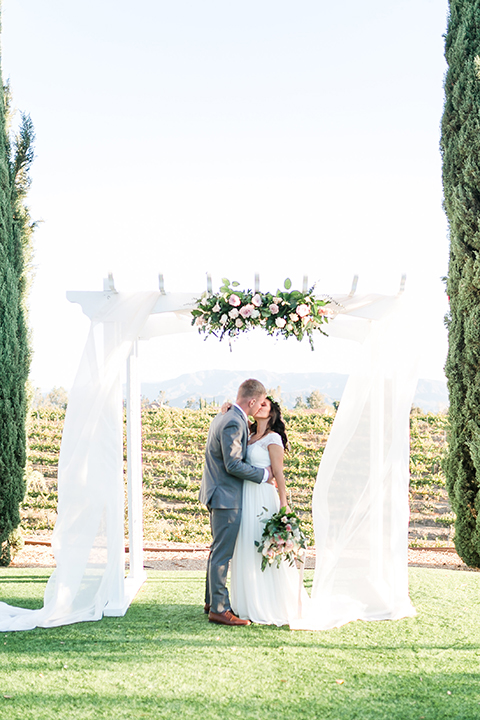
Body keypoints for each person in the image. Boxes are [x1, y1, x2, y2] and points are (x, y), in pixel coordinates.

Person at [199, 378, 273, 626]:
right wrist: (264, 475)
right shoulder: (233, 420)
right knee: (222, 553)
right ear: (252, 401)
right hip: (225, 496)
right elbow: (232, 464)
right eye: (260, 403)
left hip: (218, 492)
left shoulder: (226, 415)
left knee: (217, 549)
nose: (259, 408)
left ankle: (212, 600)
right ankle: (219, 609)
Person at [230, 397, 309, 625]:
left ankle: (270, 604)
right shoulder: (249, 435)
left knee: (262, 548)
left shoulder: (273, 438)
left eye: (265, 404)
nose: (260, 406)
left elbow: (279, 473)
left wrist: (284, 504)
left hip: (263, 497)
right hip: (246, 495)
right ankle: (247, 602)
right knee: (246, 546)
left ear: (272, 412)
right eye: (259, 403)